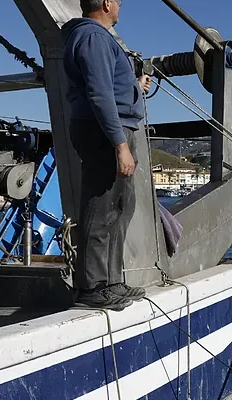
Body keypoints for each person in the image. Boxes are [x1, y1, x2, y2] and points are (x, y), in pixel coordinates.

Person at [61, 0, 153, 310]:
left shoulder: (96, 39)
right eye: (119, 2)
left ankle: (112, 282)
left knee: (120, 208)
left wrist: (134, 87)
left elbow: (109, 88)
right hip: (104, 132)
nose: (121, 7)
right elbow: (99, 94)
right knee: (101, 210)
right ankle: (92, 287)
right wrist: (120, 145)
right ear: (106, 3)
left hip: (111, 128)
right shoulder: (93, 37)